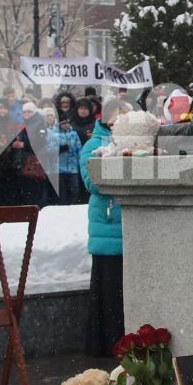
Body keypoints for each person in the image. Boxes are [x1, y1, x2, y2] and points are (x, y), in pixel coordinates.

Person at [81, 98, 125, 357]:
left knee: (122, 294)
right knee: (107, 294)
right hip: (107, 229)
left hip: (126, 229)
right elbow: (92, 182)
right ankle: (105, 346)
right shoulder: (93, 144)